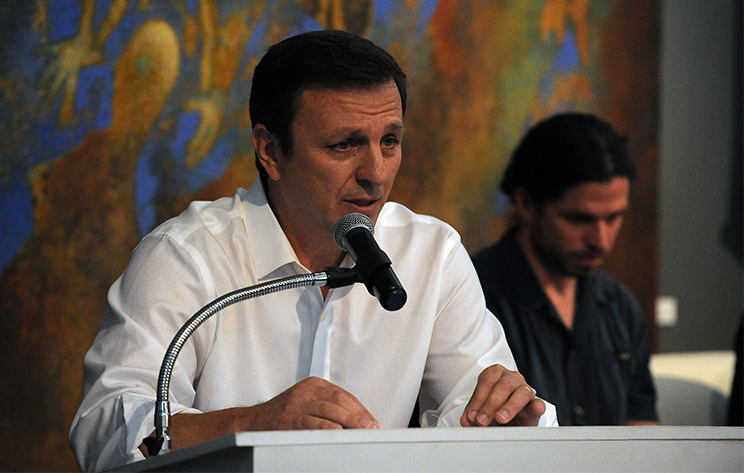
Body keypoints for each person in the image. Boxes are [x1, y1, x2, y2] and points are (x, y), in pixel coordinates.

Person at [69, 30, 557, 472]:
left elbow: (480, 412)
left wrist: (506, 420)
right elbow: (105, 431)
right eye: (345, 145)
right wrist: (253, 425)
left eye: (390, 141)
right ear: (271, 150)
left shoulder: (431, 254)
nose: (377, 173)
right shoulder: (186, 255)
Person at [472, 113, 658, 426]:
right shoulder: (474, 296)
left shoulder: (620, 306)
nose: (601, 240)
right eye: (580, 219)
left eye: (613, 218)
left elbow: (642, 426)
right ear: (527, 205)